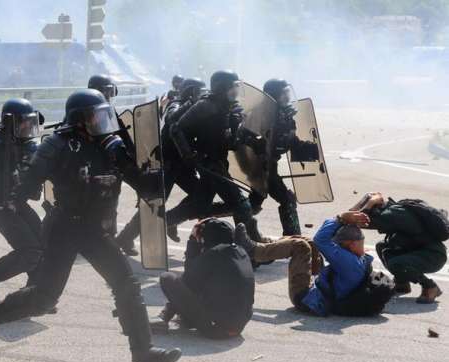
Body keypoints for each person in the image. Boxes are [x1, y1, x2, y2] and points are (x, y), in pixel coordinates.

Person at [0, 89, 181, 362]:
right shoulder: (58, 145)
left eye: (105, 115)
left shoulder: (114, 146)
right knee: (44, 297)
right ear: (80, 120)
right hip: (64, 227)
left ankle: (144, 357)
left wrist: (158, 169)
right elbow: (27, 185)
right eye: (97, 116)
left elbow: (146, 188)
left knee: (126, 285)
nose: (103, 122)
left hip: (95, 229)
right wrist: (25, 183)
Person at [166, 70, 266, 242]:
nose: (236, 91)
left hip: (218, 162)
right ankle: (249, 247)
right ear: (221, 88)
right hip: (209, 163)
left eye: (237, 87)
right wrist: (188, 155)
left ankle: (165, 220)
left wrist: (248, 135)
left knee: (199, 204)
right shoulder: (206, 106)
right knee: (242, 206)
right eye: (232, 87)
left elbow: (228, 140)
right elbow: (176, 128)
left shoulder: (227, 107)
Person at [234, 211, 394, 317]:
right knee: (309, 242)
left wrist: (339, 218)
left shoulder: (349, 262)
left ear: (350, 244)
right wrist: (346, 218)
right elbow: (322, 241)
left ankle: (254, 251)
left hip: (305, 298)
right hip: (321, 290)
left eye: (338, 243)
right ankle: (263, 243)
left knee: (301, 246)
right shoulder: (358, 258)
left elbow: (322, 239)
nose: (335, 245)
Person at [115, 78, 206, 255]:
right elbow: (172, 118)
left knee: (200, 195)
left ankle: (172, 220)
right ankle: (125, 238)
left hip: (183, 165)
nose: (202, 96)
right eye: (199, 92)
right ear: (190, 92)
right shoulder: (176, 104)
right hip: (168, 164)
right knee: (153, 204)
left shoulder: (198, 109)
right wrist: (188, 103)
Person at [0, 99, 45, 303]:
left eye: (30, 122)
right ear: (10, 122)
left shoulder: (24, 145)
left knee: (44, 244)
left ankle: (35, 292)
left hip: (18, 204)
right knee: (30, 251)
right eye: (24, 121)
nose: (28, 126)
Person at [156, 218, 254, 338]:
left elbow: (187, 281)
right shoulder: (241, 252)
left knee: (167, 278)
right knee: (204, 282)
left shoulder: (214, 254)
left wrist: (192, 243)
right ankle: (173, 314)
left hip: (216, 329)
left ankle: (166, 314)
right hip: (238, 326)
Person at [248, 79, 319, 236]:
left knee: (256, 202)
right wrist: (258, 145)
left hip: (270, 166)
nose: (287, 96)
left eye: (288, 92)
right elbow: (244, 138)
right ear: (273, 96)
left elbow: (289, 140)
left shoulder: (284, 115)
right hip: (259, 167)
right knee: (284, 200)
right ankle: (292, 239)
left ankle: (290, 238)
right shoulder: (261, 114)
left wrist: (307, 148)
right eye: (283, 93)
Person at [355, 192, 447, 303]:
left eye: (367, 208)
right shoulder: (392, 210)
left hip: (433, 256)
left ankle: (430, 287)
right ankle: (401, 283)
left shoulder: (391, 215)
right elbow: (353, 216)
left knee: (396, 263)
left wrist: (369, 203)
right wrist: (369, 202)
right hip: (419, 251)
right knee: (382, 247)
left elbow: (355, 221)